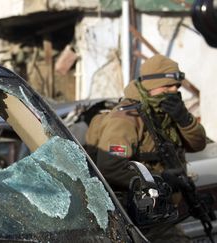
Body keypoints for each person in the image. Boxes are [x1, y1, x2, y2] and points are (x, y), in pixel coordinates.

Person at [85, 54, 207, 242]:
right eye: (167, 86)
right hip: (134, 215)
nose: (174, 91)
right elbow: (109, 166)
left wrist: (184, 118)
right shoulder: (127, 118)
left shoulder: (166, 113)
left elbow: (198, 144)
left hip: (160, 212)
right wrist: (159, 180)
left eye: (177, 86)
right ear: (150, 86)